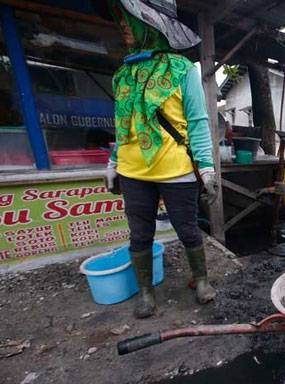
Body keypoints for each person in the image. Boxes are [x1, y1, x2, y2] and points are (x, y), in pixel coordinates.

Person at [104, 0, 217, 318]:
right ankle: (145, 293)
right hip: (132, 171)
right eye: (122, 19)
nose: (124, 25)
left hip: (176, 169)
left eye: (129, 19)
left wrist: (206, 168)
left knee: (188, 229)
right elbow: (123, 125)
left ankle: (202, 280)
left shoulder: (182, 70)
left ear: (152, 24)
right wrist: (112, 163)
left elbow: (197, 122)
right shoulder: (122, 76)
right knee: (140, 234)